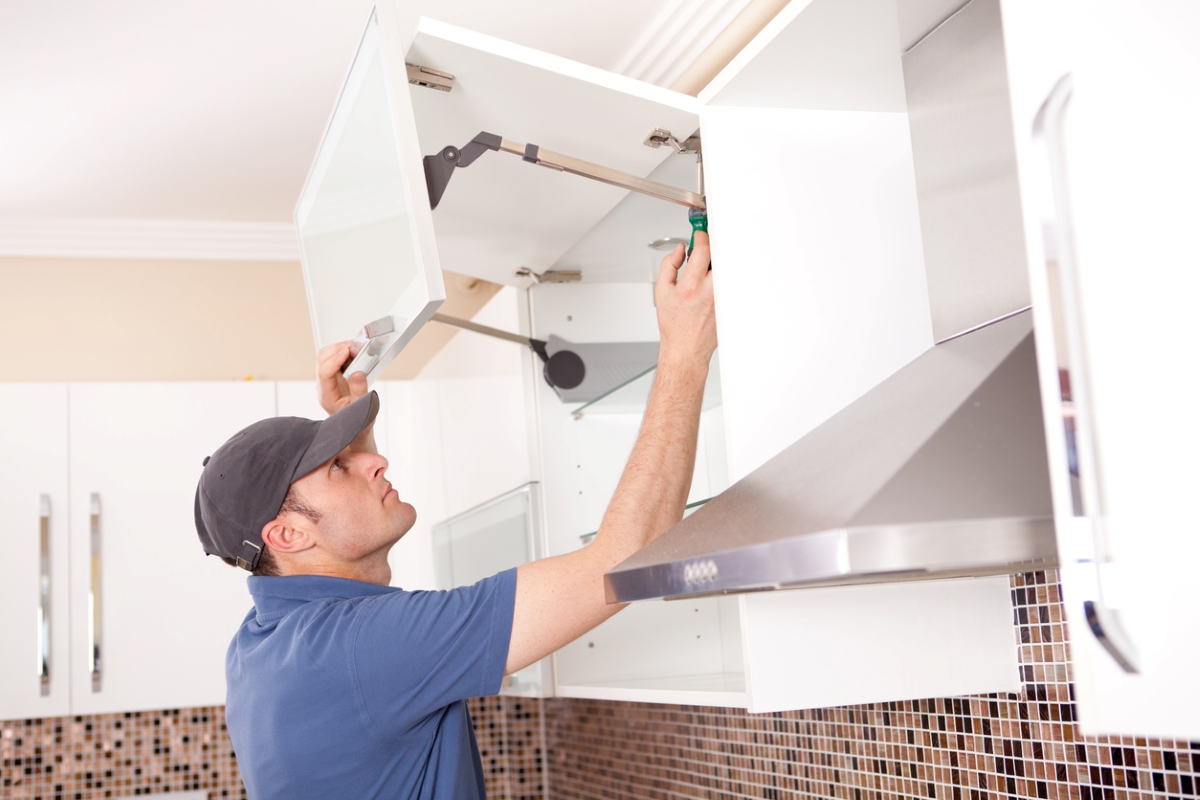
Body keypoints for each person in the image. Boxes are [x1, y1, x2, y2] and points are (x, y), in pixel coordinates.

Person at [193, 234, 716, 799]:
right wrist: (686, 346)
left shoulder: (262, 645)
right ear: (289, 535)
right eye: (339, 468)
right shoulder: (362, 648)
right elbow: (624, 556)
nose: (377, 460)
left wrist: (349, 424)